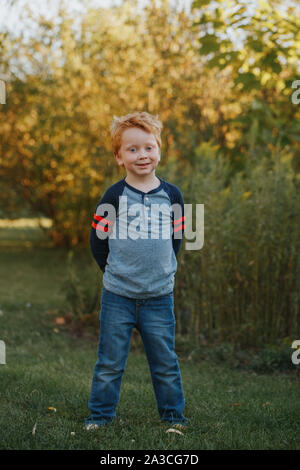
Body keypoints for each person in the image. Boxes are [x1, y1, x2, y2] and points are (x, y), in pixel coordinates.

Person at [85, 111, 188, 430]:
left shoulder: (173, 196)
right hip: (118, 297)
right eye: (132, 149)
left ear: (159, 149)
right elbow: (97, 240)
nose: (141, 155)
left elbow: (177, 238)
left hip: (159, 297)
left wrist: (163, 271)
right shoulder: (114, 197)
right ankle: (100, 418)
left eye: (148, 147)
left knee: (165, 363)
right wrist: (113, 272)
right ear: (118, 157)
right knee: (110, 363)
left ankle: (174, 417)